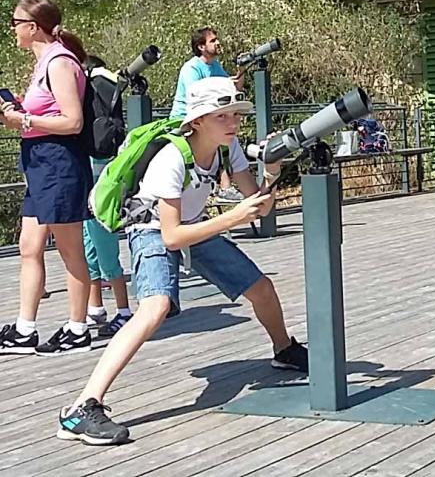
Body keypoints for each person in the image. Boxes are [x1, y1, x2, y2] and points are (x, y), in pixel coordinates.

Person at [58, 77, 307, 446]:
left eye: (235, 114)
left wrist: (270, 172)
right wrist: (233, 218)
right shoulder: (171, 158)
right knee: (155, 307)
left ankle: (283, 349)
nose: (233, 122)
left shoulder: (228, 147)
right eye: (222, 115)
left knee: (262, 289)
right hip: (152, 230)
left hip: (195, 226)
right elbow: (171, 236)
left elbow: (258, 205)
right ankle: (82, 407)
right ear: (199, 120)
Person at [0, 0, 93, 356]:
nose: (12, 29)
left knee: (70, 249)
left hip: (59, 161)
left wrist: (23, 119)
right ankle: (25, 329)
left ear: (32, 27)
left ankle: (78, 326)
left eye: (15, 22)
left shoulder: (58, 62)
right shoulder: (44, 63)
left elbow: (72, 122)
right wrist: (21, 110)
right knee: (29, 246)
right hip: (39, 161)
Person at [82, 56, 133, 338]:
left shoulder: (88, 85)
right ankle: (97, 306)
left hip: (91, 171)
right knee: (94, 239)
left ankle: (122, 310)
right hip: (103, 166)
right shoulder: (106, 84)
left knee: (98, 239)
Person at [171, 27, 244, 202]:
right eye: (213, 40)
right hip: (186, 119)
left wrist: (242, 69)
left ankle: (225, 187)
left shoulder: (215, 66)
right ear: (201, 47)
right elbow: (195, 97)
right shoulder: (191, 68)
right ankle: (223, 187)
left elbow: (233, 89)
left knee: (226, 137)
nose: (218, 43)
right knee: (220, 138)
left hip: (210, 116)